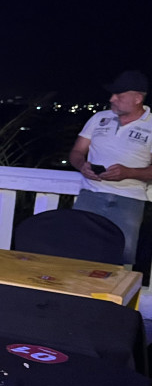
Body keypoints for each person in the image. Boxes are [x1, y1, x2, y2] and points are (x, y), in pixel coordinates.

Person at [69, 69, 152, 265]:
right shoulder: (99, 118)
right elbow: (76, 152)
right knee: (75, 252)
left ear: (137, 98)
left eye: (119, 95)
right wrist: (82, 166)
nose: (112, 99)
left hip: (129, 201)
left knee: (121, 258)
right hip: (90, 195)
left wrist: (128, 172)